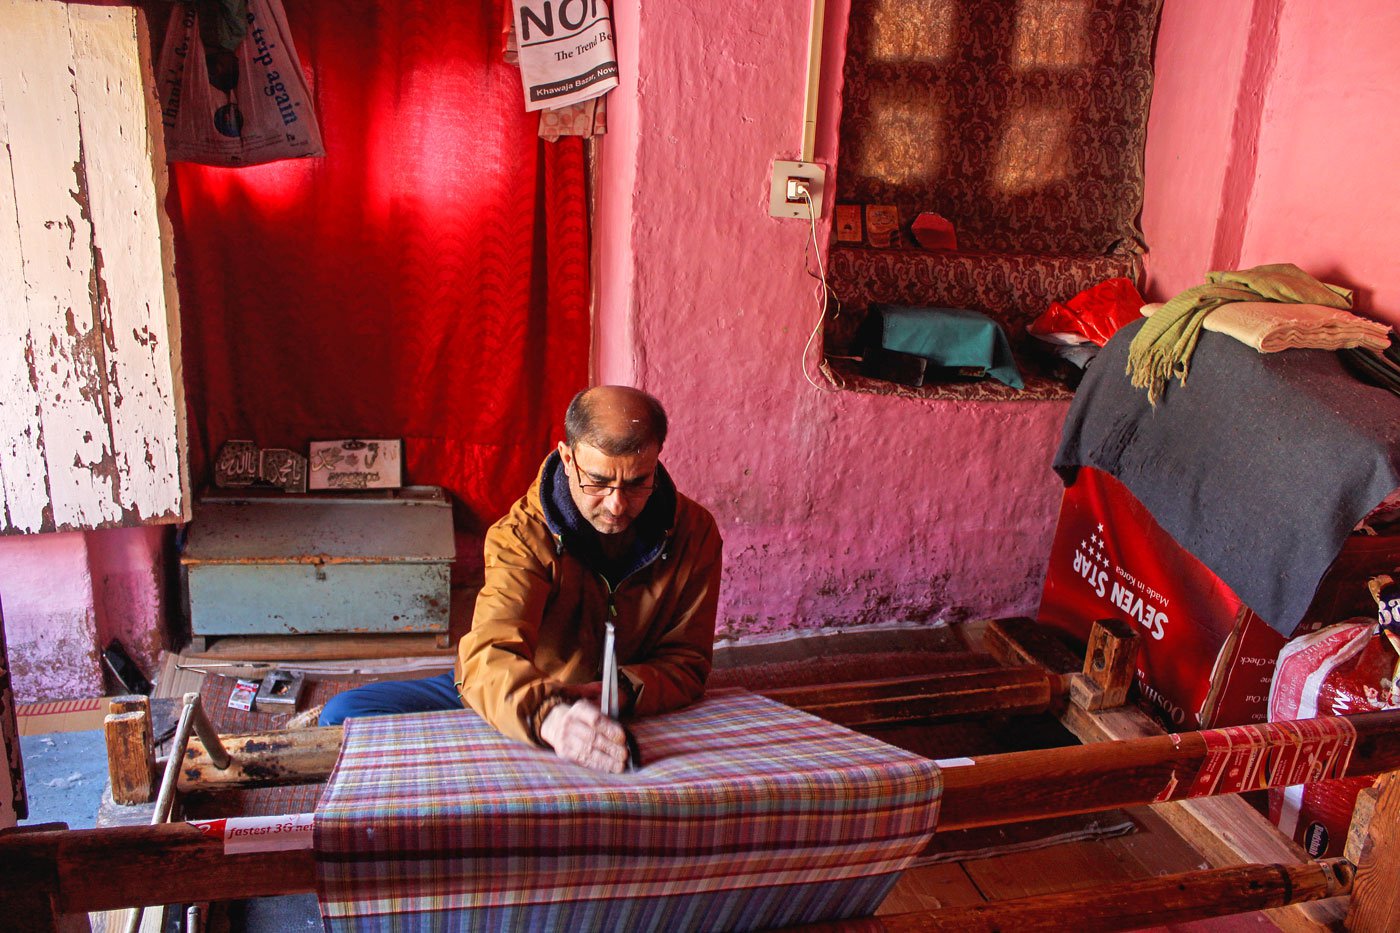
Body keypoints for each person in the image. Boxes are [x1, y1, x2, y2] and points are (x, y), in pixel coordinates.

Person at [318, 386, 723, 773]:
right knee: (343, 715)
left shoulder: (694, 533)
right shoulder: (521, 536)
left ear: (656, 461)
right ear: (567, 459)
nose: (617, 505)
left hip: (614, 698)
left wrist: (616, 692)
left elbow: (686, 664)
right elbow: (491, 653)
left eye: (637, 482)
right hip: (525, 684)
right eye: (597, 482)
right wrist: (548, 717)